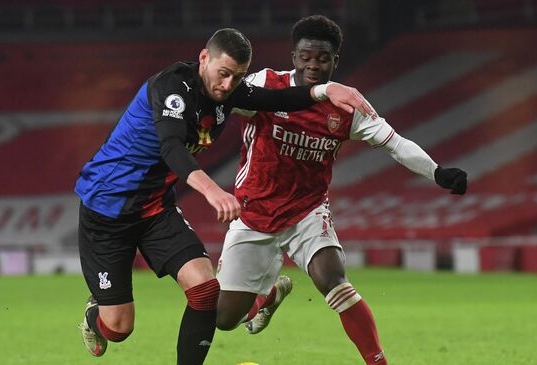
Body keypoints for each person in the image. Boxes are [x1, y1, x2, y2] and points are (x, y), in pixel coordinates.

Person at [74, 27, 372, 365]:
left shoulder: (227, 92)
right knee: (118, 328)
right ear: (204, 58)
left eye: (237, 77)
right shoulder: (172, 86)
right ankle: (95, 315)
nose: (228, 85)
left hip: (155, 208)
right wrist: (213, 190)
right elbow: (171, 147)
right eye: (223, 73)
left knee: (205, 290)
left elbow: (276, 99)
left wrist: (325, 89)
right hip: (107, 209)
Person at [214, 16, 468, 365]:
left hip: (307, 211)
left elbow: (395, 144)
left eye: (322, 58)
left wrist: (437, 172)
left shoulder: (346, 106)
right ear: (294, 57)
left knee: (333, 279)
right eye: (306, 57)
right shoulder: (266, 84)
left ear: (336, 60)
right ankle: (268, 296)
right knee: (223, 319)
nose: (313, 65)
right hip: (253, 213)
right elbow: (227, 98)